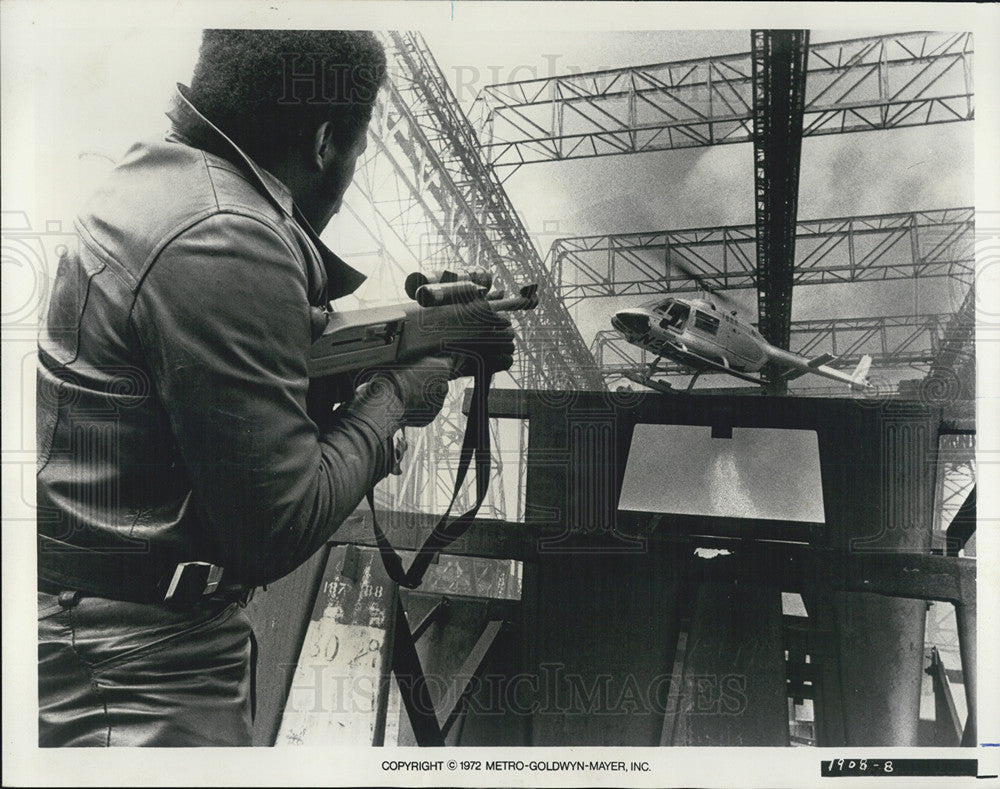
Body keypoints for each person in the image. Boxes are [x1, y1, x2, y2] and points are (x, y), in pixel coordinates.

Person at [36, 29, 515, 747]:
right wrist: (393, 399)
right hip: (143, 669)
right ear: (325, 140)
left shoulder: (162, 180)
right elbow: (277, 527)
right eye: (357, 149)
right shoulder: (229, 235)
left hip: (94, 630)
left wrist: (411, 326)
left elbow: (247, 353)